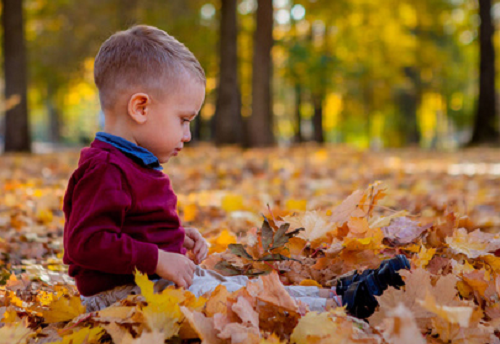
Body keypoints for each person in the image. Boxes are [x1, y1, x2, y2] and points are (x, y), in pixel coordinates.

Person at [62, 25, 409, 318]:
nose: (187, 134)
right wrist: (158, 257)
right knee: (231, 302)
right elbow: (86, 244)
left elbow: (127, 224)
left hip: (150, 281)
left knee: (235, 287)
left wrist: (174, 236)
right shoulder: (105, 169)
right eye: (183, 120)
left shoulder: (130, 161)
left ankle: (334, 296)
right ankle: (336, 309)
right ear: (140, 108)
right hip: (121, 297)